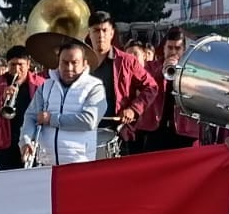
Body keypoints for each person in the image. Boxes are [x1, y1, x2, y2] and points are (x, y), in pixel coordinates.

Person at [21, 43, 107, 165]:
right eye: (64, 62)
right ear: (58, 63)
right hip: (47, 164)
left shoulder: (95, 88)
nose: (69, 68)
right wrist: (26, 140)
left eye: (74, 62)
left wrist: (51, 119)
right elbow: (31, 116)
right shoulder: (46, 86)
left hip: (79, 164)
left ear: (84, 64)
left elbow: (89, 121)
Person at [84, 11, 158, 153]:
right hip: (84, 134)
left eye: (105, 30)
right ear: (89, 33)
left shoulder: (127, 61)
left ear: (112, 33)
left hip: (117, 134)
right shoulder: (80, 63)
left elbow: (151, 87)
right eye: (96, 31)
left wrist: (133, 109)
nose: (101, 35)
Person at [0, 47, 41, 171]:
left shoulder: (39, 83)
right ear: (7, 64)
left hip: (32, 141)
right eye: (12, 64)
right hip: (6, 142)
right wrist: (2, 98)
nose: (16, 69)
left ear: (28, 64)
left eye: (21, 64)